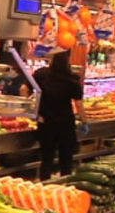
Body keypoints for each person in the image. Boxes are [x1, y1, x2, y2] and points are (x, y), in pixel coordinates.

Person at [33, 50, 83, 179]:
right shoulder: (72, 79)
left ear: (52, 60)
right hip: (65, 123)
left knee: (47, 157)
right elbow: (78, 104)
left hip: (45, 122)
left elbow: (24, 89)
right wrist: (85, 121)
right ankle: (66, 182)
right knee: (66, 157)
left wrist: (34, 111)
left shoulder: (41, 74)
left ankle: (44, 183)